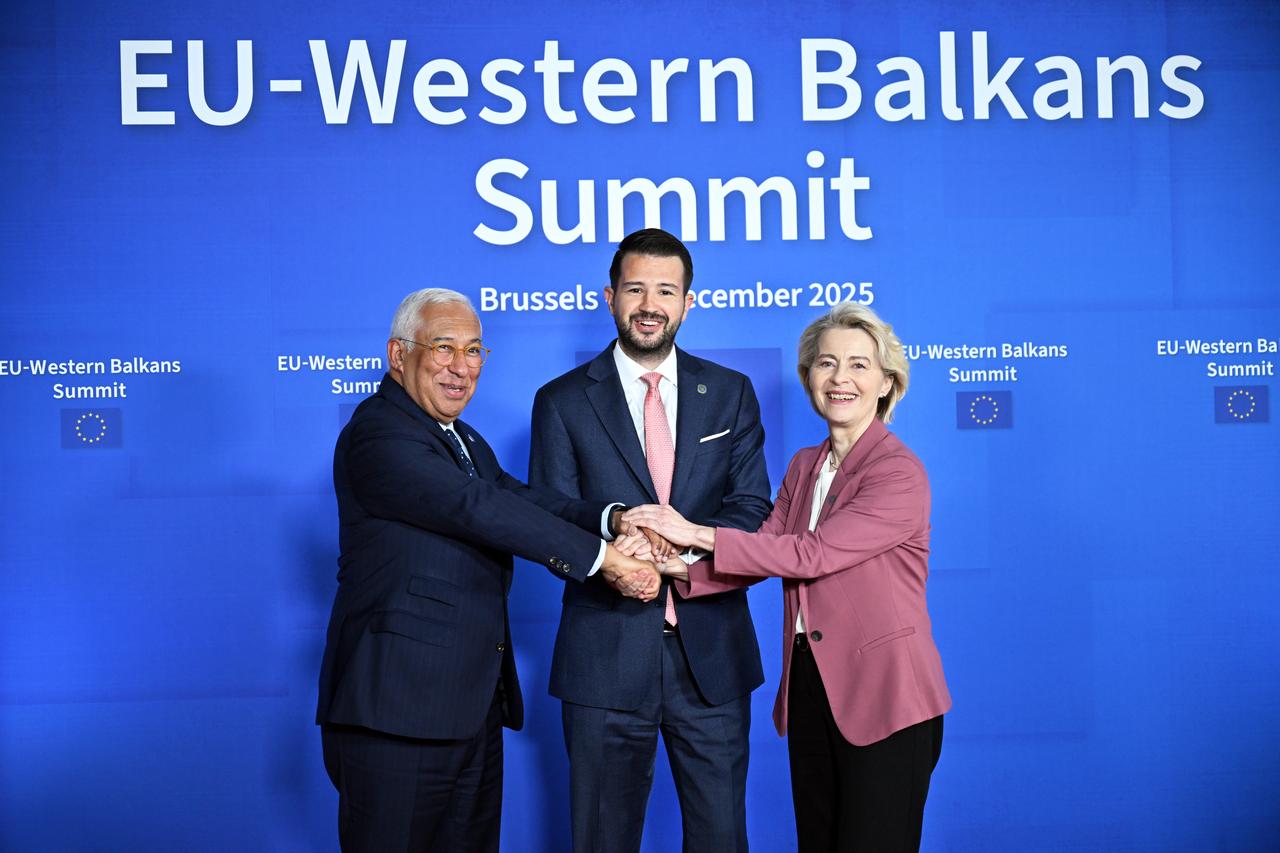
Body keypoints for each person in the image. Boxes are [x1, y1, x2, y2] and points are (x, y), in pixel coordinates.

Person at [315, 288, 661, 853]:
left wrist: (612, 520)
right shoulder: (379, 432)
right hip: (395, 712)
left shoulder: (461, 438)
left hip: (468, 710)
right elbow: (477, 507)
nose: (461, 366)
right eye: (444, 347)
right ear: (398, 355)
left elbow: (516, 498)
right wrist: (606, 561)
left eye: (474, 350)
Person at [625, 302, 951, 853]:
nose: (840, 378)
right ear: (809, 377)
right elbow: (765, 549)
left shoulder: (898, 472)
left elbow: (812, 554)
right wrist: (673, 566)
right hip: (812, 686)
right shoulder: (805, 464)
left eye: (859, 365)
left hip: (886, 695)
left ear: (886, 383)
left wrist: (693, 531)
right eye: (826, 363)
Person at [529, 228, 773, 853]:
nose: (649, 305)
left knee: (722, 840)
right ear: (609, 296)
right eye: (635, 288)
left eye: (666, 291)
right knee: (602, 840)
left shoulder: (730, 392)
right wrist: (612, 538)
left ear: (688, 302)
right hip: (603, 656)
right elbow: (548, 516)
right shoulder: (560, 401)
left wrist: (679, 555)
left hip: (711, 656)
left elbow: (752, 507)